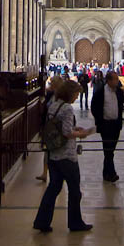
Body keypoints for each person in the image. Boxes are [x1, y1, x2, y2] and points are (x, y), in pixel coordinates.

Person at [33, 79, 94, 233]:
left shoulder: (54, 104)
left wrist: (73, 128)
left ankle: (42, 221)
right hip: (66, 156)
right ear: (69, 93)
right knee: (75, 191)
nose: (76, 97)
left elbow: (58, 126)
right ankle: (75, 222)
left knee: (53, 188)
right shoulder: (67, 108)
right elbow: (67, 133)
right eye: (75, 94)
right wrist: (81, 133)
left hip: (54, 154)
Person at [91, 70, 124, 183]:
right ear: (109, 81)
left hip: (116, 124)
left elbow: (120, 106)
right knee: (108, 149)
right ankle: (112, 173)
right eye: (115, 79)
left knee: (110, 150)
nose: (117, 81)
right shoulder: (101, 92)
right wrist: (99, 120)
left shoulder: (119, 92)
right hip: (105, 124)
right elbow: (94, 106)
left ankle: (106, 173)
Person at [36, 76, 63, 182]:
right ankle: (44, 173)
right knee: (47, 151)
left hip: (57, 128)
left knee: (57, 151)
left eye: (52, 83)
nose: (50, 85)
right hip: (48, 127)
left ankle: (58, 174)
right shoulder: (50, 95)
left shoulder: (61, 97)